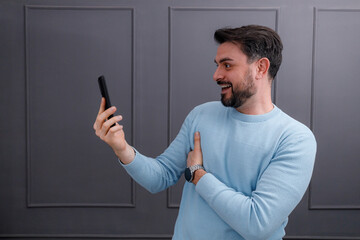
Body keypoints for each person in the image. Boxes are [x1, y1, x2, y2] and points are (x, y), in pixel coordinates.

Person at [93, 25, 317, 240]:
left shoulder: (295, 139)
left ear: (260, 68)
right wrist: (121, 147)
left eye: (227, 65)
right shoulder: (201, 115)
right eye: (217, 65)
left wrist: (198, 174)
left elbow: (256, 224)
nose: (216, 75)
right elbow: (159, 177)